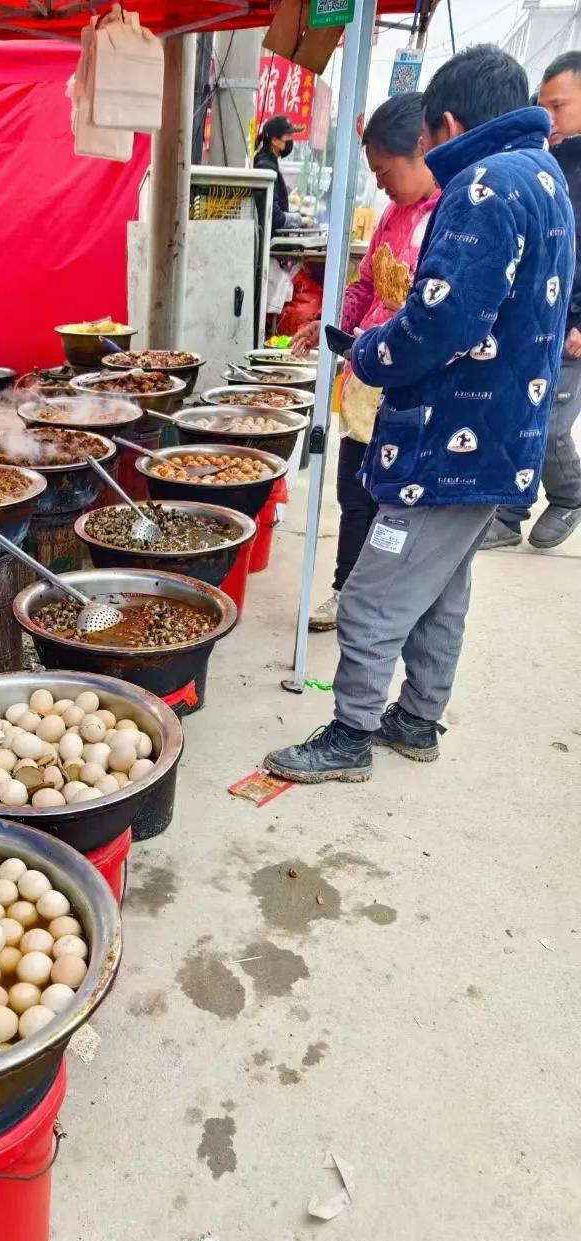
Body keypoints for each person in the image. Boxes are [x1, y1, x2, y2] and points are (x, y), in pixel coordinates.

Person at [264, 45, 574, 784]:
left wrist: (368, 354)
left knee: (374, 592)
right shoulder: (546, 177)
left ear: (446, 123)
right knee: (442, 590)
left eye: (429, 139)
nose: (430, 155)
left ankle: (349, 737)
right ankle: (418, 718)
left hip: (448, 438)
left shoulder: (484, 185)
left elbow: (441, 323)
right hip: (500, 438)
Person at [291, 93, 440, 631]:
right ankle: (345, 592)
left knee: (392, 504)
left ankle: (386, 602)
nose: (378, 182)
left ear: (421, 147)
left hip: (409, 387)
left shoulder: (447, 217)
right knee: (353, 495)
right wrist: (332, 327)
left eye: (384, 169)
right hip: (364, 380)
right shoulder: (392, 214)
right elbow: (366, 285)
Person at [482, 50, 581, 550]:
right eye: (542, 107)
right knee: (520, 410)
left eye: (558, 106)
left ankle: (570, 494)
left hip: (573, 325)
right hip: (531, 315)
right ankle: (511, 509)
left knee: (550, 422)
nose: (548, 118)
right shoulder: (542, 162)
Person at [255, 116, 302, 236]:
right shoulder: (265, 168)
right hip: (267, 246)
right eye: (287, 136)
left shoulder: (269, 163)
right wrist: (300, 220)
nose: (290, 140)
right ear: (275, 141)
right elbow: (273, 216)